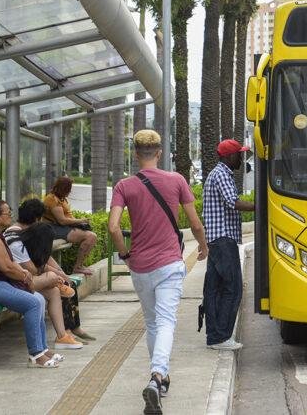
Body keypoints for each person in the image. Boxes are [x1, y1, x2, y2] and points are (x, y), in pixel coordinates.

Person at [108, 129, 208, 414]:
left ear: (136, 154)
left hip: (140, 266)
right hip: (169, 264)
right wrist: (202, 247)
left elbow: (113, 227)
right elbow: (195, 224)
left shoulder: (124, 186)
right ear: (160, 152)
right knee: (166, 322)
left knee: (153, 323)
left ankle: (160, 379)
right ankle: (157, 377)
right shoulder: (176, 180)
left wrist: (125, 254)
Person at [0, 200, 63, 368]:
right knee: (32, 303)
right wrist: (24, 276)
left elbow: (10, 262)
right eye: (7, 213)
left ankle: (42, 349)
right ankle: (36, 354)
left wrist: (24, 273)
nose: (11, 216)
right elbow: (6, 267)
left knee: (39, 299)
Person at [4, 199, 96, 348]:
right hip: (21, 277)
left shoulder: (28, 231)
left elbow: (43, 256)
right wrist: (58, 274)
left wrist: (62, 272)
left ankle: (69, 331)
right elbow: (34, 265)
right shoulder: (15, 236)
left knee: (63, 282)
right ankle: (67, 331)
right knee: (59, 281)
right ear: (37, 218)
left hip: (30, 275)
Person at [202, 139, 255, 351]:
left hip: (218, 239)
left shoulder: (219, 173)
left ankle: (215, 337)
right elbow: (234, 202)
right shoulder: (222, 174)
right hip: (224, 240)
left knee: (214, 289)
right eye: (239, 154)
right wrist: (261, 206)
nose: (241, 158)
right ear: (229, 156)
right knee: (232, 289)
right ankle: (222, 337)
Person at [43, 176, 97, 275]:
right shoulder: (52, 199)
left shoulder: (61, 198)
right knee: (91, 237)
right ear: (63, 189)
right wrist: (81, 220)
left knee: (91, 235)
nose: (70, 192)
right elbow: (62, 221)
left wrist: (80, 223)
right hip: (54, 228)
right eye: (68, 189)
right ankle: (78, 267)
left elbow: (67, 217)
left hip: (62, 227)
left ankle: (79, 266)